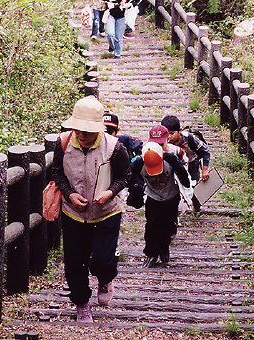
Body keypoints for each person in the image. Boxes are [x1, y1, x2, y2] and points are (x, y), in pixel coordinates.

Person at [48, 96, 131, 323]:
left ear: (97, 130)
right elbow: (57, 173)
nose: (81, 135)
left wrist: (110, 192)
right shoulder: (63, 143)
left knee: (103, 260)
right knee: (74, 263)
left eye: (87, 131)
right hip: (73, 213)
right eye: (78, 130)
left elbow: (126, 176)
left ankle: (105, 277)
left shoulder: (114, 147)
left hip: (107, 212)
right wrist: (69, 194)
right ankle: (82, 303)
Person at [131, 138, 190, 268]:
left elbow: (182, 172)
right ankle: (151, 253)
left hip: (171, 196)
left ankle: (164, 247)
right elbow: (127, 175)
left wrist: (187, 187)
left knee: (169, 225)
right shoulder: (138, 163)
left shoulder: (170, 159)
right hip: (153, 197)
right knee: (152, 226)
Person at [161, 115, 211, 211]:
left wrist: (205, 169)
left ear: (179, 131)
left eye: (172, 133)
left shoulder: (189, 138)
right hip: (174, 165)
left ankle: (196, 205)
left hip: (191, 163)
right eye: (167, 134)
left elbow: (205, 151)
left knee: (193, 185)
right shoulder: (163, 141)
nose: (169, 137)